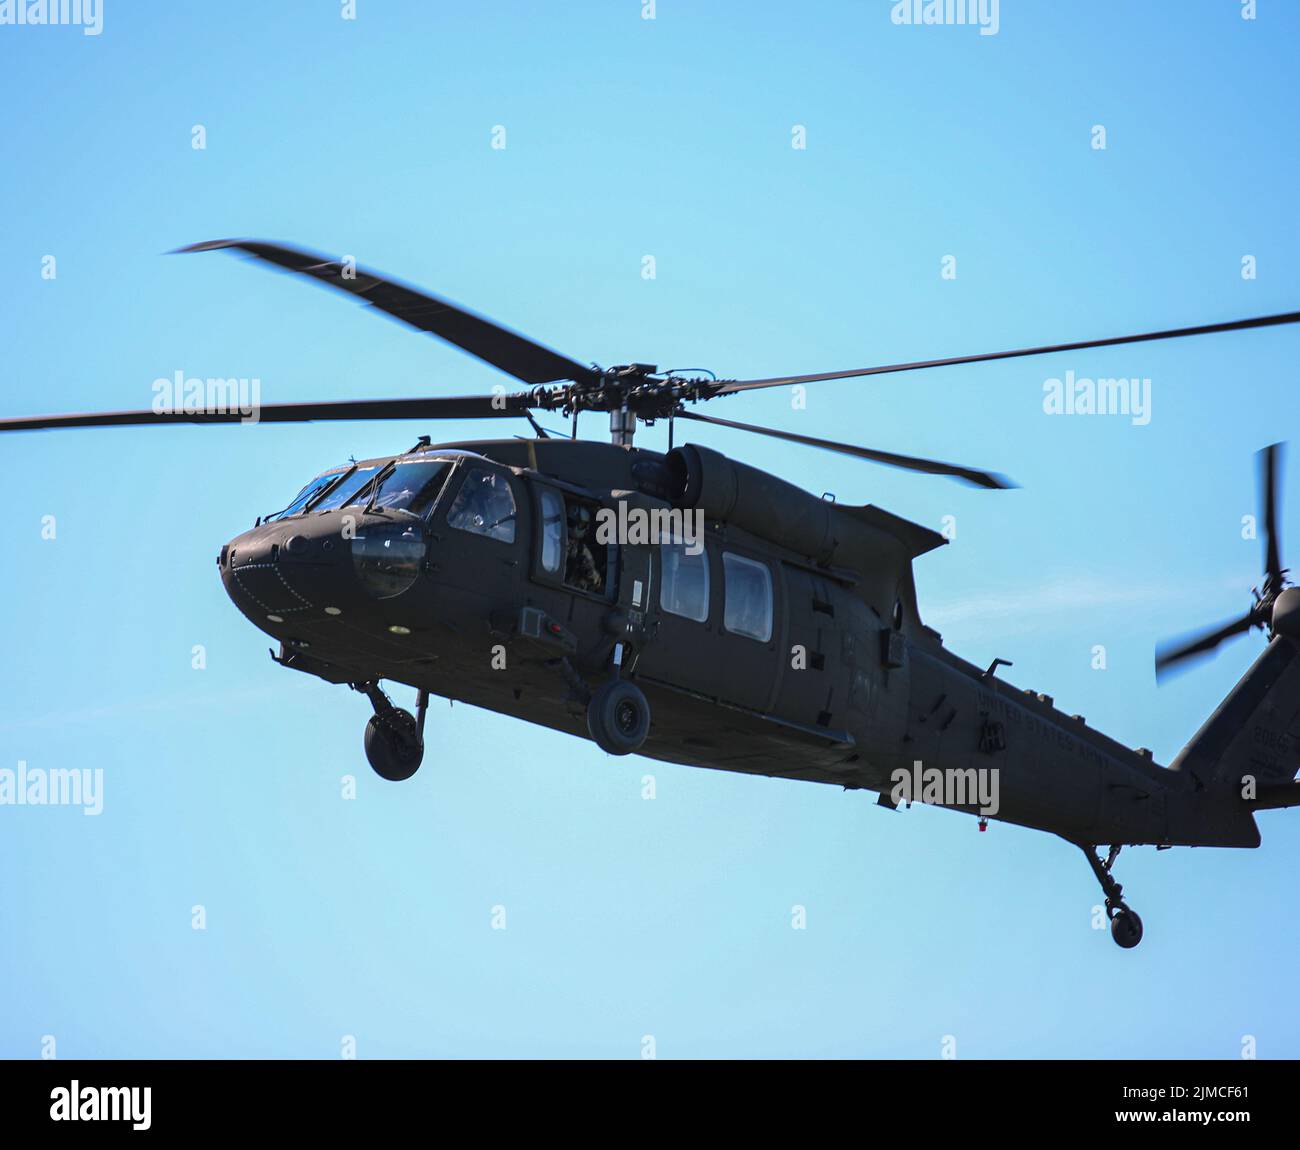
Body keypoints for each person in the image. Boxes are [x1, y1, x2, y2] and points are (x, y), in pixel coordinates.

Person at [565, 503, 602, 593]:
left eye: (580, 524)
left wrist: (588, 570)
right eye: (571, 522)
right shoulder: (554, 534)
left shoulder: (582, 550)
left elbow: (596, 581)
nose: (575, 528)